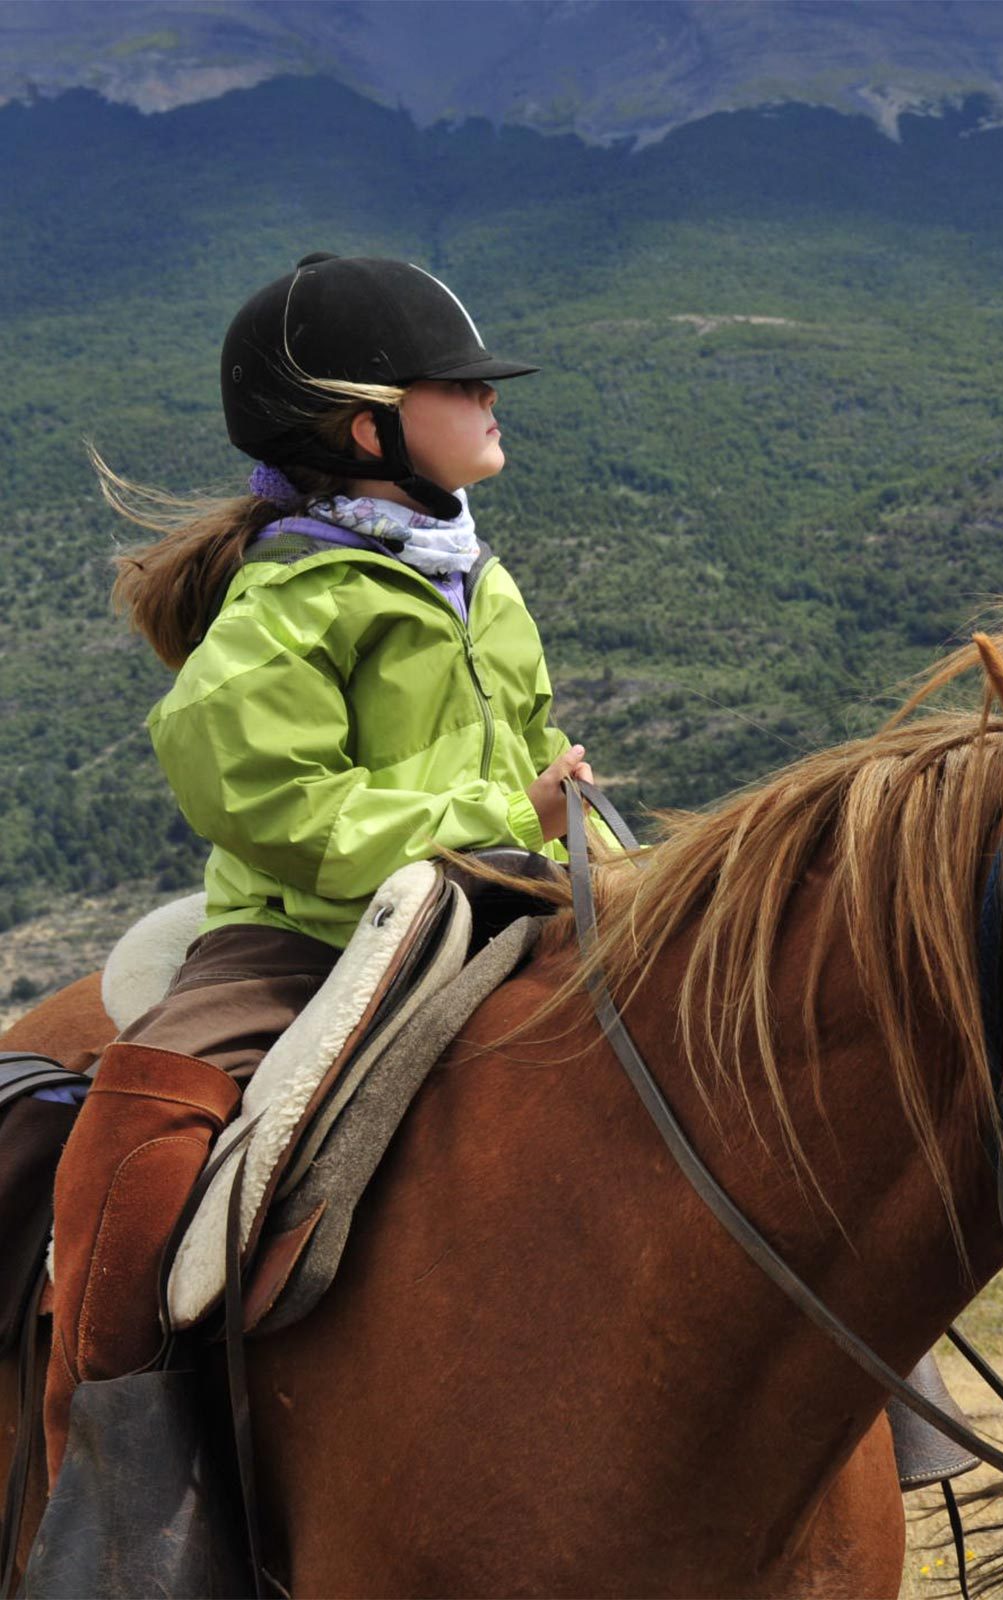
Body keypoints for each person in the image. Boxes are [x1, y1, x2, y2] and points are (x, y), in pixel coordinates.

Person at [47, 253, 594, 1453]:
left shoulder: (478, 582)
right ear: (367, 425)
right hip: (305, 934)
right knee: (138, 1129)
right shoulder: (289, 599)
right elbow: (277, 802)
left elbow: (536, 752)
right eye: (461, 384)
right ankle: (106, 1451)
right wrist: (505, 823)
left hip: (510, 898)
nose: (492, 400)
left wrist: (581, 830)